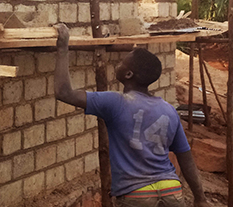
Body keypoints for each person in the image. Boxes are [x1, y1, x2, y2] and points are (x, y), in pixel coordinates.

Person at [53, 24, 209, 206]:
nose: (117, 64)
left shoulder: (115, 102)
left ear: (128, 74)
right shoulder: (169, 110)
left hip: (136, 194)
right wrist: (200, 198)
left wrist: (63, 47)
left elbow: (64, 93)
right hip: (171, 190)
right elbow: (186, 158)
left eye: (121, 63)